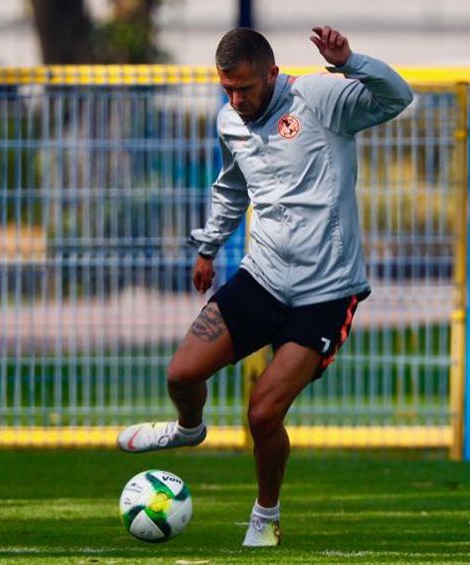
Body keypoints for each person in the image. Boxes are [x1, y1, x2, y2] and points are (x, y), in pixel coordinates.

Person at [118, 25, 412, 547]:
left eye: (246, 88)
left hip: (326, 292)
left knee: (262, 412)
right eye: (226, 88)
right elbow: (232, 185)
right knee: (181, 374)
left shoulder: (318, 98)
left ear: (272, 74)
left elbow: (398, 96)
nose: (236, 99)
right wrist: (209, 247)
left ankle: (266, 514)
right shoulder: (229, 120)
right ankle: (189, 429)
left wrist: (351, 61)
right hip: (264, 277)